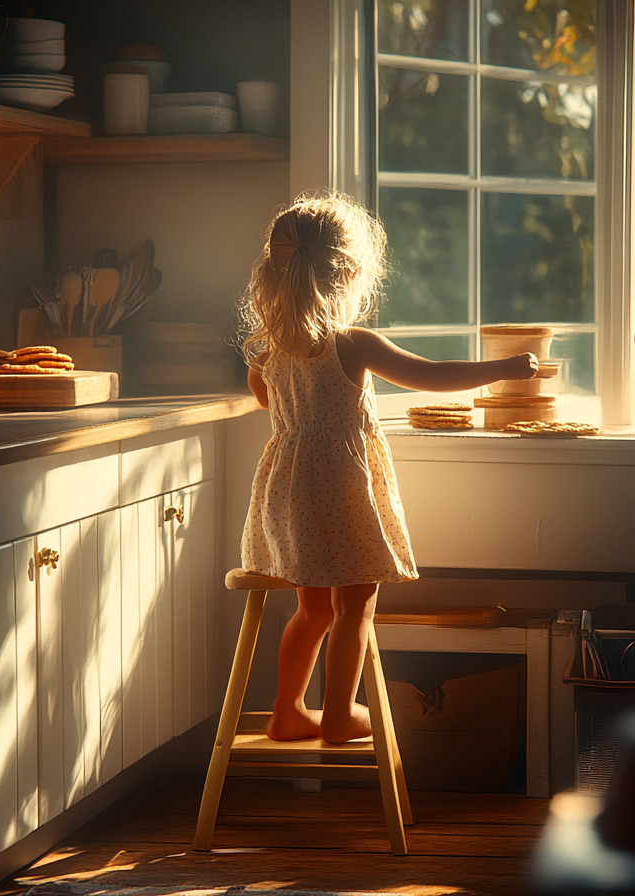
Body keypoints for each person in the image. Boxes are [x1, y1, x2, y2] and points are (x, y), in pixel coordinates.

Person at [237, 191, 538, 744]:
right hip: (341, 491)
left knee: (313, 610)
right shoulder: (352, 344)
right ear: (349, 273)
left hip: (289, 493)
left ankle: (286, 708)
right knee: (357, 606)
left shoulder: (271, 352)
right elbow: (432, 374)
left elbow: (264, 398)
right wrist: (507, 367)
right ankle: (337, 715)